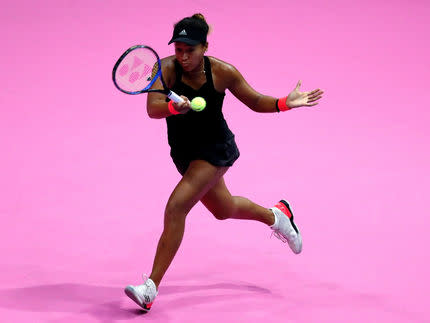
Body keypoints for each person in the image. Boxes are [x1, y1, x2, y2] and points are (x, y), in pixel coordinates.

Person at [124, 13, 324, 310]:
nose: (182, 56)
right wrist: (173, 107)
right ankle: (277, 215)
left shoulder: (222, 72)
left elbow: (255, 101)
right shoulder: (164, 68)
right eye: (178, 49)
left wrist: (285, 102)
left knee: (176, 206)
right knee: (224, 208)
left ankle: (150, 287)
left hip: (215, 150)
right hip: (184, 152)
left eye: (189, 50)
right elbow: (153, 108)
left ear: (204, 47)